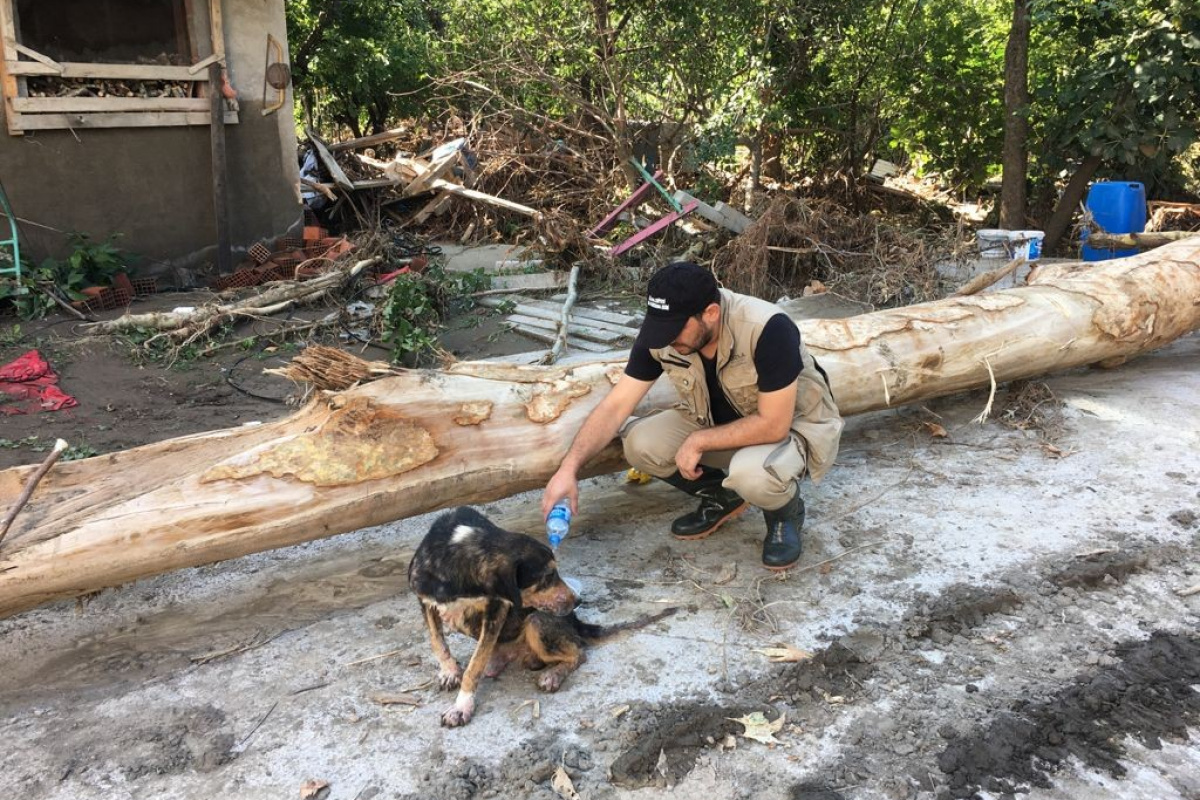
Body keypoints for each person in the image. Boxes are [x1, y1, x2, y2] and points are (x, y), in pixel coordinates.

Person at [541, 261, 843, 570]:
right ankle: (723, 497)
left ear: (710, 313)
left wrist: (699, 441)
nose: (666, 339)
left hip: (790, 429)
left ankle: (784, 514)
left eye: (675, 330)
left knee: (752, 475)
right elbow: (614, 407)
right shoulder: (663, 331)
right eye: (661, 328)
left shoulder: (768, 328)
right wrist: (568, 469)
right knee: (641, 444)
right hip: (715, 421)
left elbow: (774, 425)